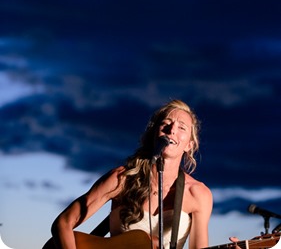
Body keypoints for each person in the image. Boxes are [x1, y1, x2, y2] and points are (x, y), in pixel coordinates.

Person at [50, 99, 213, 249]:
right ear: (154, 135)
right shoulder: (121, 179)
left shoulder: (198, 194)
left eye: (182, 127)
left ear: (189, 145)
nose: (171, 130)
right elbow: (63, 223)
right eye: (166, 123)